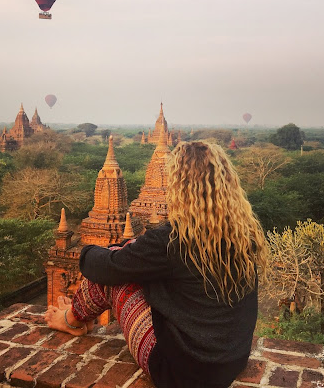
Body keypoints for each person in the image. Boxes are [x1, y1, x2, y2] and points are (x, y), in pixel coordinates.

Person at [44, 141, 268, 388]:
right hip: (230, 362)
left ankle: (70, 320)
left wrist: (101, 250)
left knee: (113, 278)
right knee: (125, 262)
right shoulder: (242, 234)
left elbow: (102, 267)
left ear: (177, 186)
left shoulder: (172, 239)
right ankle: (78, 314)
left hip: (181, 373)